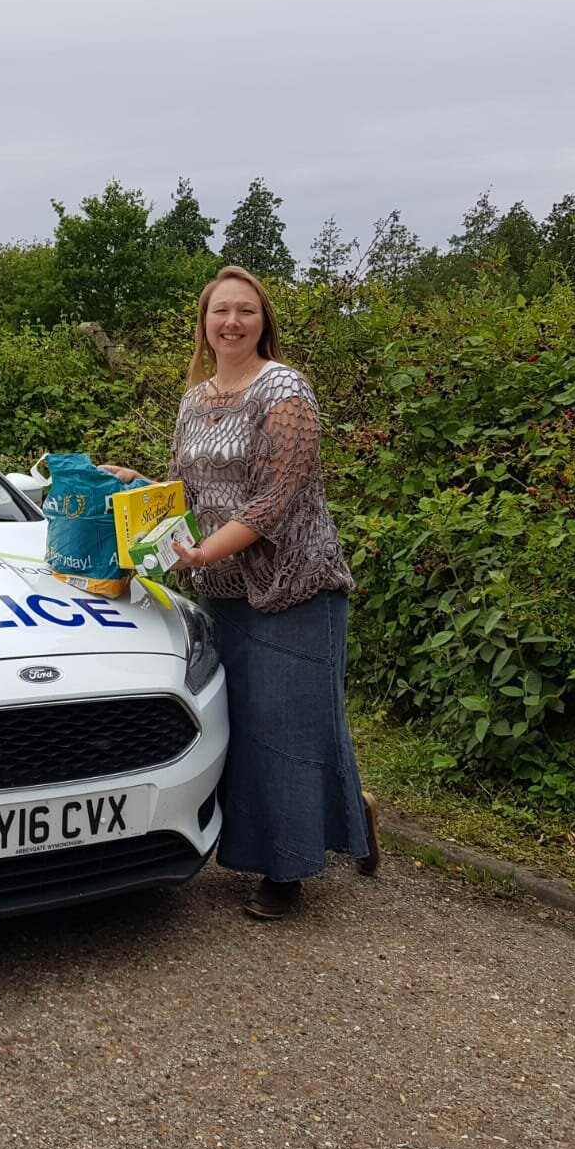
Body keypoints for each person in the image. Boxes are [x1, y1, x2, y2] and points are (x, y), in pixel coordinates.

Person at [103, 266, 378, 920]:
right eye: (220, 311)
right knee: (247, 723)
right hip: (223, 590)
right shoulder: (195, 400)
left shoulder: (285, 391)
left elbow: (273, 502)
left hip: (295, 588)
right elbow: (187, 493)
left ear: (263, 322)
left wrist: (200, 553)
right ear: (204, 323)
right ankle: (354, 821)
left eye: (245, 312)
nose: (231, 322)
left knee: (284, 730)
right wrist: (138, 482)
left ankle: (285, 876)